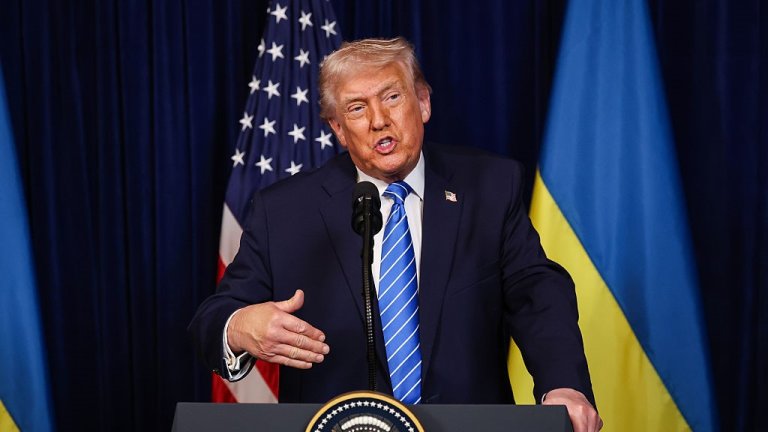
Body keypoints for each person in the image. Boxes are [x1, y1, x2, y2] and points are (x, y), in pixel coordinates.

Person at [189, 37, 602, 432]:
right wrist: (240, 326)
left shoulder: (490, 186)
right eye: (356, 108)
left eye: (391, 97)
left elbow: (537, 294)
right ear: (337, 128)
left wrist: (563, 384)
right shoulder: (283, 212)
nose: (378, 121)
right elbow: (214, 318)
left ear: (422, 102)